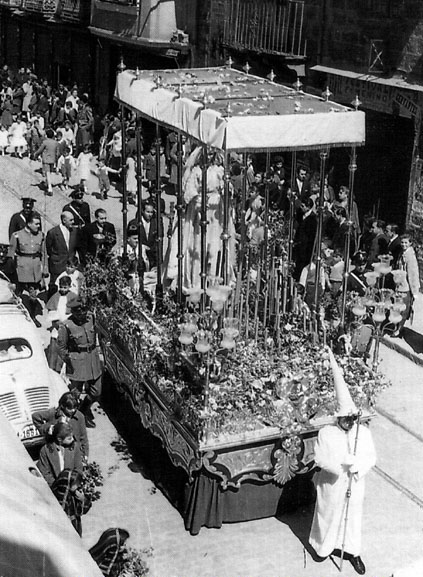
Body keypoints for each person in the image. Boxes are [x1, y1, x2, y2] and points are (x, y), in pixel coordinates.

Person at [309, 348, 376, 575]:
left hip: (354, 484)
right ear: (338, 417)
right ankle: (323, 547)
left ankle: (352, 551)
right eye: (344, 419)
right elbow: (319, 458)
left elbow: (371, 457)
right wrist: (340, 466)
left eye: (351, 418)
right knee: (328, 515)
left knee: (353, 518)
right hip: (333, 482)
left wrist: (357, 466)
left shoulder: (363, 434)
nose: (348, 422)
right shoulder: (326, 434)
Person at [57, 298, 102, 428]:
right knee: (75, 394)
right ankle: (75, 418)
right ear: (73, 312)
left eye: (83, 311)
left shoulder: (91, 318)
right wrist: (70, 361)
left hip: (92, 359)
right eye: (78, 312)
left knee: (96, 392)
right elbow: (61, 348)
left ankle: (84, 408)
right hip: (77, 362)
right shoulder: (66, 325)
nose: (82, 314)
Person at [32, 391, 89, 459]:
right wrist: (48, 428)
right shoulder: (53, 413)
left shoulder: (79, 416)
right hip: (56, 452)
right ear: (63, 406)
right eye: (70, 408)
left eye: (75, 407)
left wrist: (85, 454)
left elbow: (83, 437)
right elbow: (35, 416)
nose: (73, 410)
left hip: (73, 452)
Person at [37, 421, 83, 486]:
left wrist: (73, 483)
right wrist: (57, 486)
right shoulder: (45, 450)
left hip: (71, 485)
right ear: (59, 439)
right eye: (69, 438)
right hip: (54, 486)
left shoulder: (74, 447)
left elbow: (78, 467)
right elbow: (45, 472)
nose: (73, 439)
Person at [9, 211, 45, 294]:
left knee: (34, 296)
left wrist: (44, 270)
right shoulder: (16, 235)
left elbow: (44, 253)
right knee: (21, 295)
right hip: (22, 270)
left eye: (39, 224)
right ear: (29, 224)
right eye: (36, 224)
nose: (39, 226)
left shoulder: (41, 236)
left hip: (36, 270)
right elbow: (10, 255)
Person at [45, 211, 80, 296]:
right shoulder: (52, 232)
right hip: (57, 264)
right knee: (55, 286)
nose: (73, 222)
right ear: (64, 220)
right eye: (71, 220)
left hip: (70, 264)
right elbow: (48, 249)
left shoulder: (75, 231)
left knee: (70, 285)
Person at [51, 469, 91, 537]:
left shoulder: (74, 494)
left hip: (74, 528)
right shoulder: (56, 496)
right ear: (68, 482)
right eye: (76, 483)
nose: (78, 486)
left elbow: (82, 511)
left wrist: (83, 499)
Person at [33, 127, 59, 196]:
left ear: (46, 135)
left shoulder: (45, 142)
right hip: (53, 159)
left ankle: (49, 188)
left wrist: (36, 154)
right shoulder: (55, 143)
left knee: (47, 173)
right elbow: (57, 153)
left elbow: (40, 150)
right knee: (49, 172)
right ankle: (46, 183)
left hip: (46, 159)